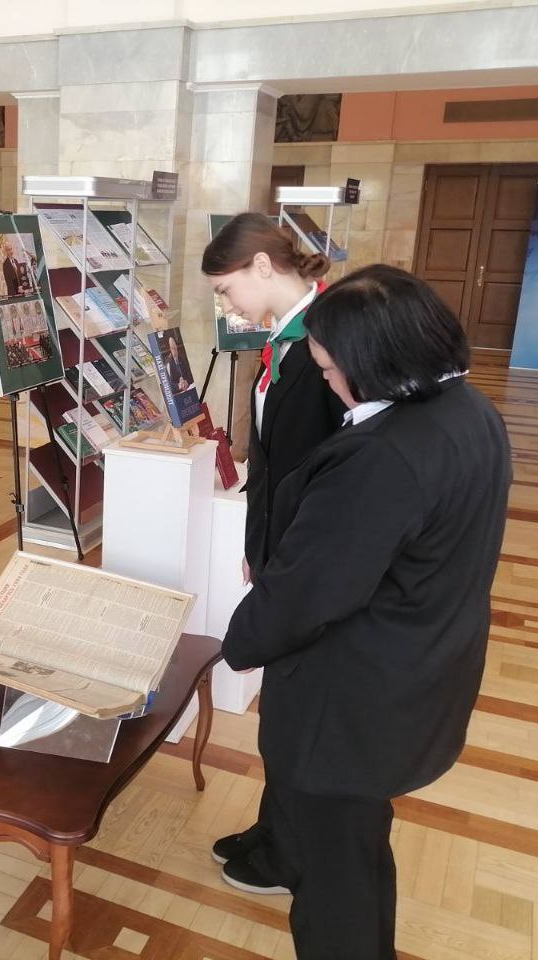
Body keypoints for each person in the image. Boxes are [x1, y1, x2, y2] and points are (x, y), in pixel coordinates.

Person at [220, 264, 512, 959]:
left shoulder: (382, 458)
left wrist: (237, 643)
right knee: (350, 839)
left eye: (327, 369)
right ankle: (285, 859)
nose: (324, 381)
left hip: (353, 701)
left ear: (371, 362)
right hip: (422, 664)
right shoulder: (470, 412)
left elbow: (309, 593)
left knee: (339, 879)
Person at [201, 212, 343, 871]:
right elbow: (270, 458)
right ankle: (274, 829)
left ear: (262, 266)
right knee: (282, 707)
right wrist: (257, 544)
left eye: (225, 288)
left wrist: (289, 557)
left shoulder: (331, 340)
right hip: (281, 549)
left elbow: (333, 471)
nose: (225, 304)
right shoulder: (285, 339)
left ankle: (291, 849)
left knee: (299, 710)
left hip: (311, 560)